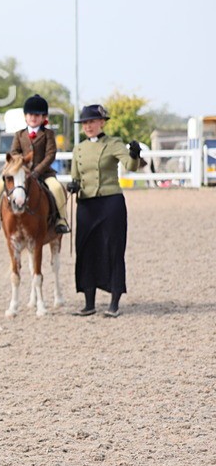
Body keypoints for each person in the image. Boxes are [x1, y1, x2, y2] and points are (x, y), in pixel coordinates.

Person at [67, 104, 141, 318]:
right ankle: (88, 303)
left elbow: (130, 165)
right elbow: (76, 177)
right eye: (85, 123)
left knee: (113, 249)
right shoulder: (78, 149)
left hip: (110, 203)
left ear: (102, 122)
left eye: (91, 122)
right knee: (86, 250)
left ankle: (114, 302)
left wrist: (134, 154)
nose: (88, 126)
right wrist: (73, 186)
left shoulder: (113, 144)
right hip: (87, 204)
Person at [0, 95, 70, 234]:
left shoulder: (48, 134)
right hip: (21, 172)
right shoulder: (19, 134)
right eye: (30, 114)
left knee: (56, 188)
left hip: (43, 172)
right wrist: (21, 164)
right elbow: (14, 152)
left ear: (43, 117)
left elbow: (50, 155)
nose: (33, 117)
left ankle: (61, 219)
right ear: (25, 116)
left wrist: (37, 171)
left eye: (37, 115)